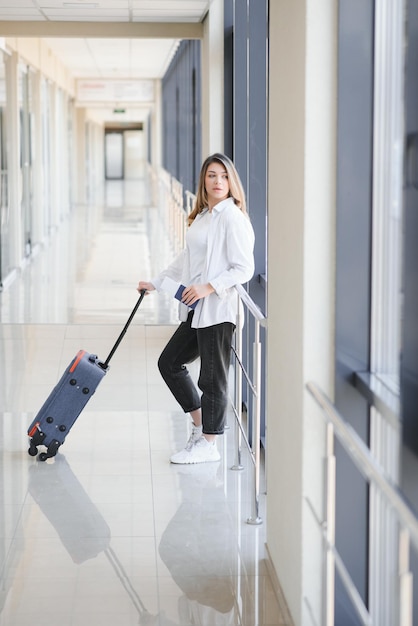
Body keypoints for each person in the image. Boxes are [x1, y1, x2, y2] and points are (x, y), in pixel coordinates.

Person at [137, 153, 255, 464]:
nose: (218, 182)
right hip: (198, 310)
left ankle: (210, 444)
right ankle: (202, 426)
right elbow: (187, 258)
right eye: (212, 175)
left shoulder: (233, 217)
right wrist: (157, 281)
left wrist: (208, 286)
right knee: (170, 363)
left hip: (218, 310)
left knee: (212, 377)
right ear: (203, 180)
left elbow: (244, 268)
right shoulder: (204, 215)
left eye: (224, 176)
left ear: (232, 182)